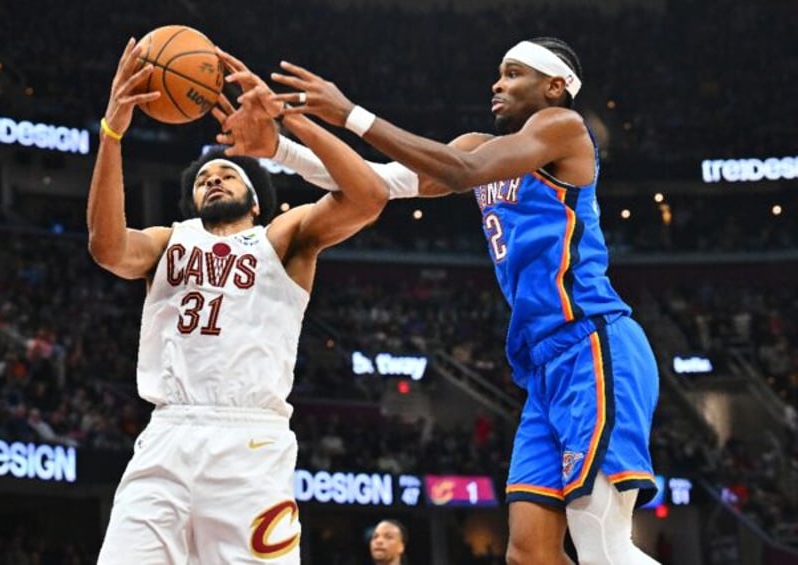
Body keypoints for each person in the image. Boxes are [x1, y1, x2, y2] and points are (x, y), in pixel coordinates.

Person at [219, 37, 660, 564]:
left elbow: (461, 172)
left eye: (514, 73)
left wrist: (351, 113)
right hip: (544, 367)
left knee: (603, 547)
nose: (497, 83)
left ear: (555, 86)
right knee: (530, 554)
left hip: (592, 344)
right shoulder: (477, 147)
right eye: (498, 73)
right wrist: (281, 144)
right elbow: (377, 183)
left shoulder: (560, 127)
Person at [87, 38, 388, 564]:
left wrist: (286, 126)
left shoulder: (282, 238)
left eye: (227, 173)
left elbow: (368, 196)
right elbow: (107, 248)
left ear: (255, 197)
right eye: (203, 180)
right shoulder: (169, 240)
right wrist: (112, 132)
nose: (214, 180)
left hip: (249, 444)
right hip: (168, 434)